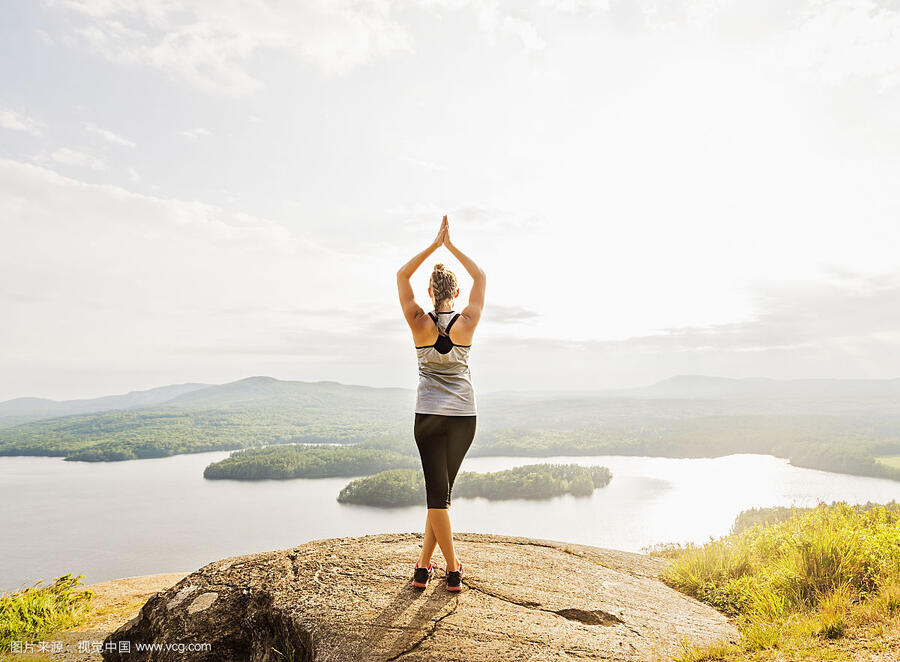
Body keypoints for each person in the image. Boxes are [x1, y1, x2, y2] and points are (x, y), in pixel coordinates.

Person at [396, 214, 485, 592]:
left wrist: (434, 246)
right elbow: (481, 278)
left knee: (438, 494)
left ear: (431, 292)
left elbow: (402, 277)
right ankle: (432, 566)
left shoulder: (419, 321)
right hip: (464, 417)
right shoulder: (467, 320)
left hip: (428, 416)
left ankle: (444, 569)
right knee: (441, 493)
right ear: (456, 292)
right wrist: (452, 247)